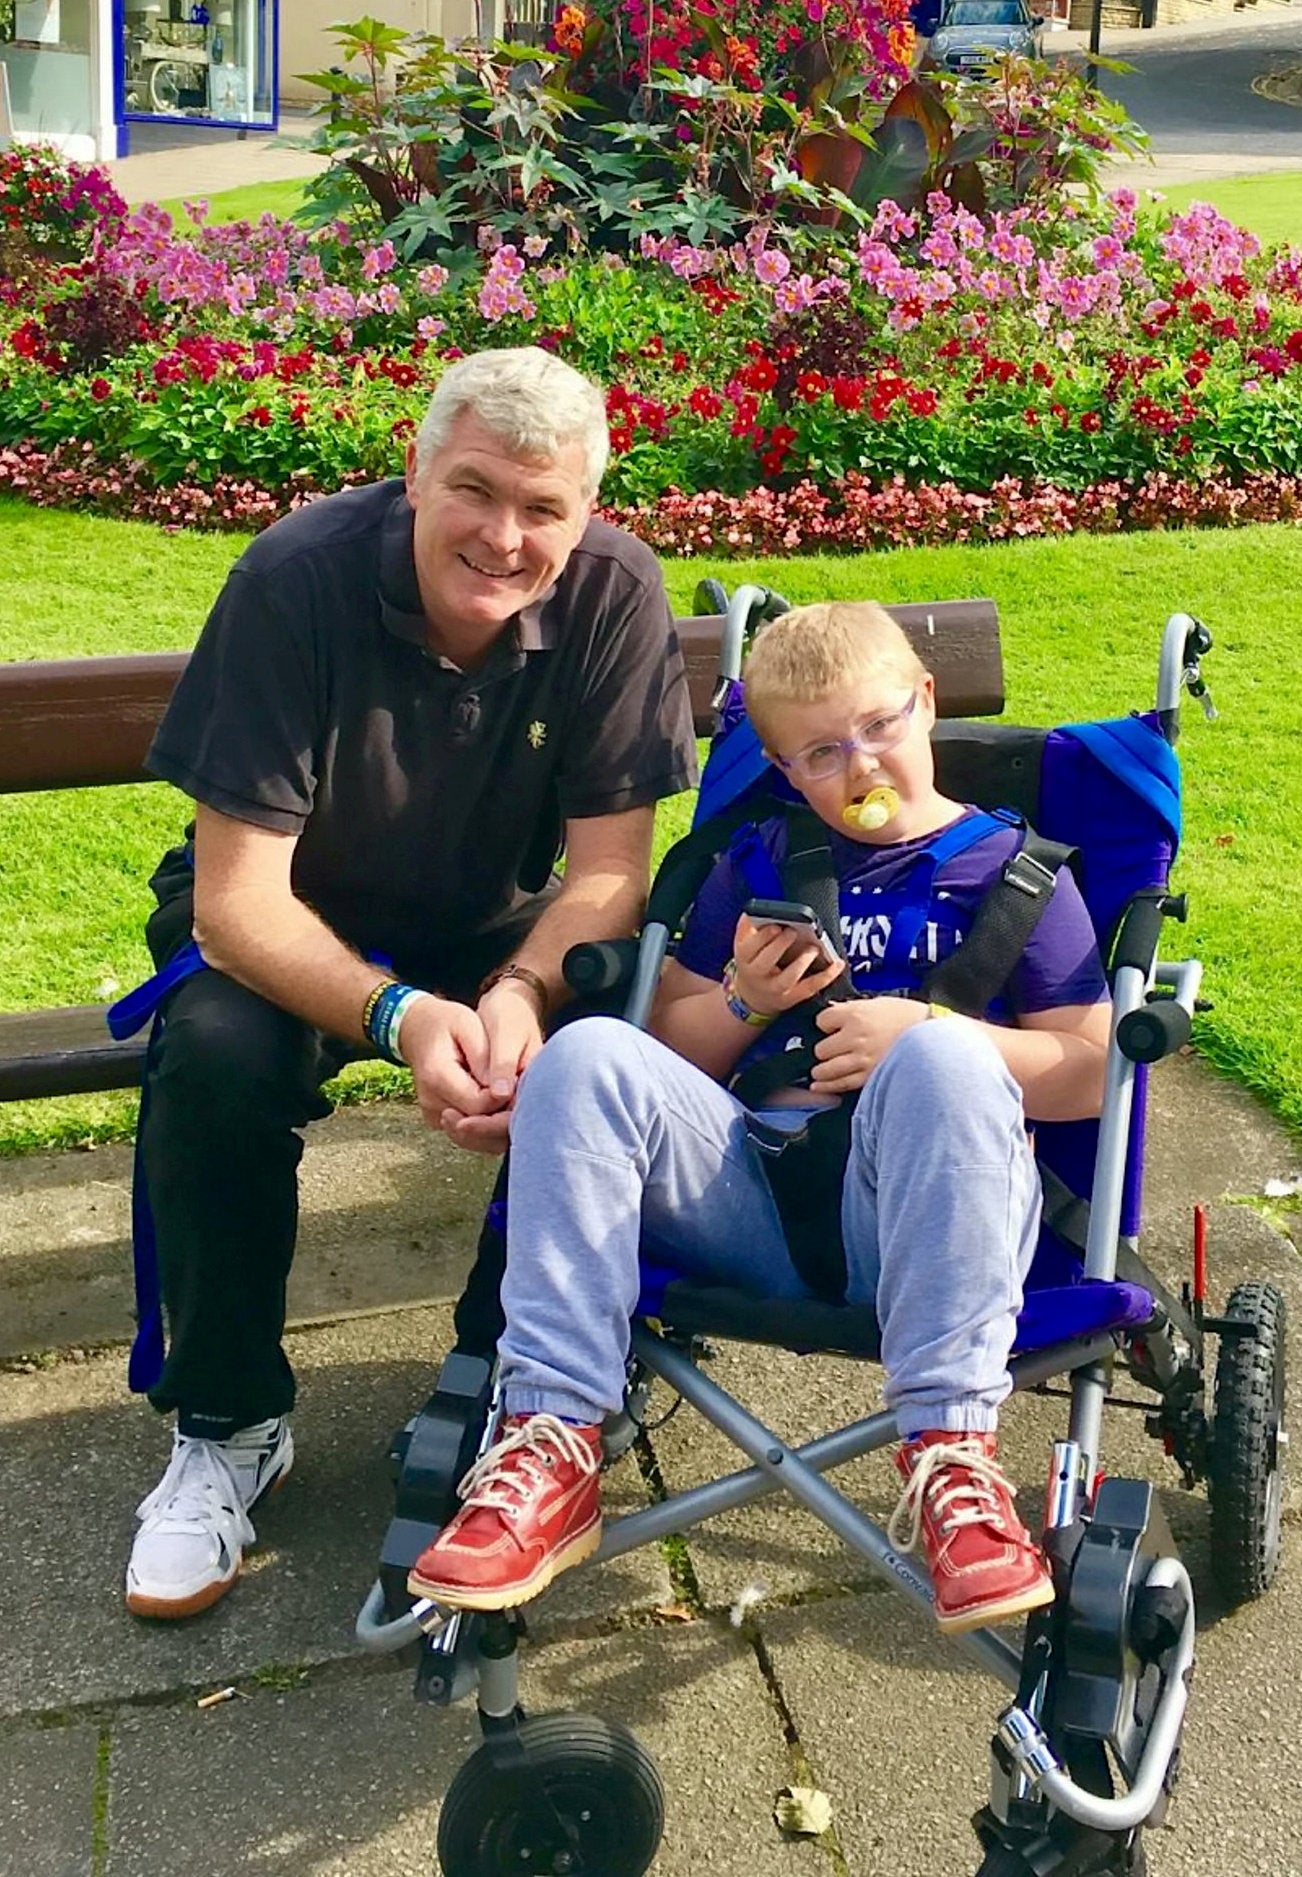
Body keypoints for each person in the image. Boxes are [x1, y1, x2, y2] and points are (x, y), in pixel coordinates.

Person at [124, 347, 697, 1621]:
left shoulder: (614, 594)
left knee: (615, 1044)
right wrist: (397, 1010)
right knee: (217, 1054)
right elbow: (235, 903)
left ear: (587, 512)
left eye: (543, 508)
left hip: (499, 921)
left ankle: (511, 1381)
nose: (505, 536)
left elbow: (609, 874)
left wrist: (523, 992)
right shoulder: (296, 578)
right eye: (475, 492)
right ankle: (226, 1422)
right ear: (416, 471)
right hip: (288, 919)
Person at [406, 601, 1111, 1637]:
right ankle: (552, 1433)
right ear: (784, 767)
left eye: (877, 727)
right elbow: (664, 1052)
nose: (860, 763)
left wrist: (924, 1028)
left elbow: (1092, 1070)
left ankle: (953, 1456)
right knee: (589, 1052)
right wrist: (742, 1001)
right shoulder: (763, 863)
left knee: (944, 1054)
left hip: (928, 1223)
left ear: (924, 703)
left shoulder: (1019, 876)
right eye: (823, 752)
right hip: (751, 1195)